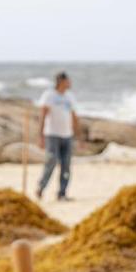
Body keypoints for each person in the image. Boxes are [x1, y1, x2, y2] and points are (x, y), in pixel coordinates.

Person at [35, 72, 79, 201]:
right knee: (51, 161)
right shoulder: (49, 95)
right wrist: (41, 135)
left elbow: (74, 116)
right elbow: (43, 115)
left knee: (66, 165)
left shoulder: (70, 96)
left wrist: (79, 136)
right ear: (61, 81)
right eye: (68, 81)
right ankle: (41, 187)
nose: (70, 83)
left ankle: (62, 193)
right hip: (52, 134)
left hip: (67, 135)